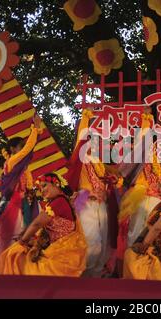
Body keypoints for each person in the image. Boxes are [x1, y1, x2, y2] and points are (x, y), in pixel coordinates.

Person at [0, 115, 42, 271]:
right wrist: (35, 129)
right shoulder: (12, 162)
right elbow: (28, 150)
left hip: (25, 205)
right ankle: (2, 267)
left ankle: (18, 267)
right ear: (12, 149)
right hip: (13, 206)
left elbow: (28, 152)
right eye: (21, 146)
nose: (24, 150)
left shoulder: (23, 166)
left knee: (25, 236)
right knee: (10, 236)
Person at [0, 173, 87, 276]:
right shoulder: (57, 202)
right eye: (40, 188)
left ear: (56, 184)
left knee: (19, 259)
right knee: (18, 256)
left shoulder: (59, 201)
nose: (42, 191)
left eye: (44, 186)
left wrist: (22, 242)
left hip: (63, 256)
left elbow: (37, 224)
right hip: (57, 250)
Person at [64, 109, 114, 277]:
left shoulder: (97, 160)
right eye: (88, 137)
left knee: (103, 240)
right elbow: (81, 138)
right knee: (91, 239)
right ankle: (83, 272)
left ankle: (96, 274)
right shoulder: (80, 157)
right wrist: (85, 118)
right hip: (85, 202)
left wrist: (109, 187)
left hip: (101, 205)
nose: (91, 141)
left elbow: (104, 180)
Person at [116, 108, 161, 274]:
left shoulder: (157, 159)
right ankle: (132, 269)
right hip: (140, 195)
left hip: (156, 199)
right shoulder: (138, 157)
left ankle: (148, 270)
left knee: (154, 234)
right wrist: (146, 119)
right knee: (136, 231)